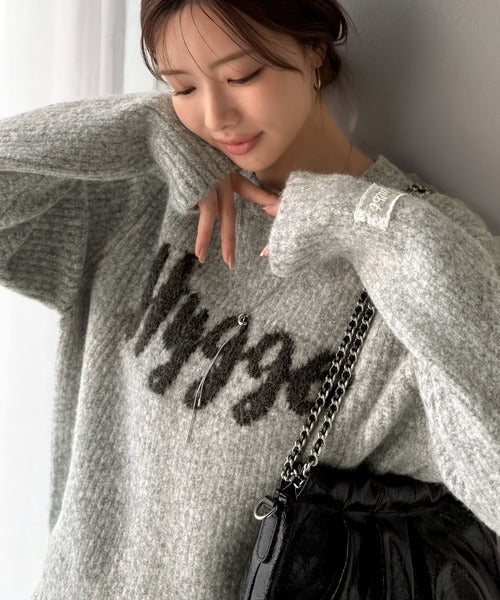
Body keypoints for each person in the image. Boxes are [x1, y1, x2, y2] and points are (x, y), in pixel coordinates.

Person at [0, 1, 498, 598]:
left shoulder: (413, 258)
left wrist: (354, 217)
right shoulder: (141, 198)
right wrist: (148, 127)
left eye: (242, 75)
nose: (215, 116)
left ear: (314, 51)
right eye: (182, 87)